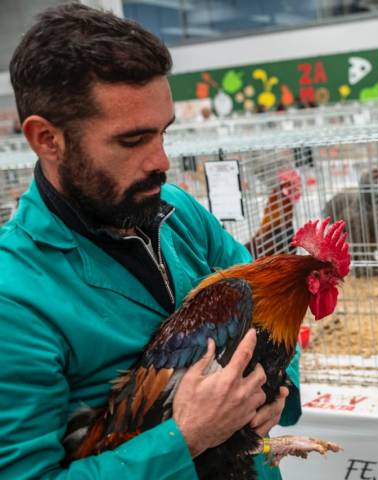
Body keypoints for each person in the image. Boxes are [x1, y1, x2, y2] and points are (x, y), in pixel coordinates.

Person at [0, 4, 300, 479]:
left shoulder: (180, 212)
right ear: (47, 139)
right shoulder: (13, 297)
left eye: (164, 132)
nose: (161, 159)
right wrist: (187, 439)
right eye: (132, 140)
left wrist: (274, 396)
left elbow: (269, 317)